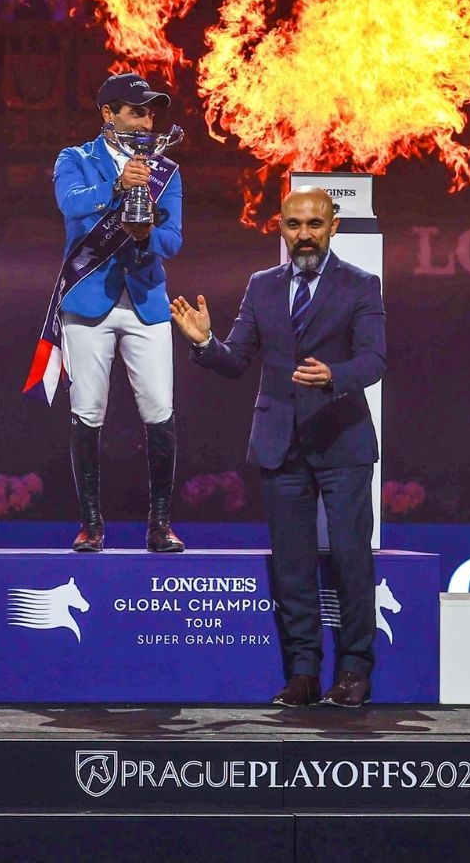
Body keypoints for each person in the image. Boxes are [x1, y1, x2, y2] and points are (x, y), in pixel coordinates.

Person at [171, 187, 385, 708]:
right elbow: (237, 359)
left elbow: (374, 359)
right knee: (292, 565)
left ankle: (355, 669)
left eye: (313, 224)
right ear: (281, 228)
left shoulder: (361, 285)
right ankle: (304, 673)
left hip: (342, 440)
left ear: (333, 225)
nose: (304, 235)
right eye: (293, 225)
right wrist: (203, 343)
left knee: (352, 559)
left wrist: (335, 375)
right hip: (280, 443)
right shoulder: (261, 286)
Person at [36, 72, 185, 554]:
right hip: (90, 300)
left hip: (145, 301)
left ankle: (159, 525)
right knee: (88, 411)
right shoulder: (75, 159)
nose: (146, 119)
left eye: (150, 112)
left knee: (159, 409)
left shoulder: (167, 170)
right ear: (109, 114)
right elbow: (70, 206)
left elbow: (173, 239)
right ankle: (91, 525)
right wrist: (118, 187)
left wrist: (146, 237)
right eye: (137, 110)